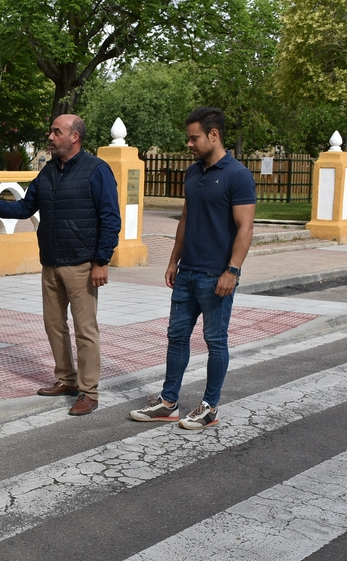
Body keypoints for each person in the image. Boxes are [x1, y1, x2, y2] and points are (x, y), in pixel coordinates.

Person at [0, 114, 121, 416]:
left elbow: (111, 219)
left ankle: (89, 391)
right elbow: (24, 207)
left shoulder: (96, 170)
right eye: (51, 131)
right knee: (54, 326)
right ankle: (66, 379)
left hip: (82, 265)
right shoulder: (48, 172)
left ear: (75, 137)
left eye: (56, 132)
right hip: (50, 262)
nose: (50, 136)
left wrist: (102, 261)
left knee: (85, 330)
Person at [128, 107, 256, 429]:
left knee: (215, 341)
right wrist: (173, 260)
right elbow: (185, 219)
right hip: (188, 272)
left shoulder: (237, 175)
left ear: (214, 135)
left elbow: (245, 228)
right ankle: (169, 401)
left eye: (194, 138)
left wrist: (233, 271)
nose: (190, 144)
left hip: (217, 275)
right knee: (177, 336)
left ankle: (210, 406)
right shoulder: (193, 172)